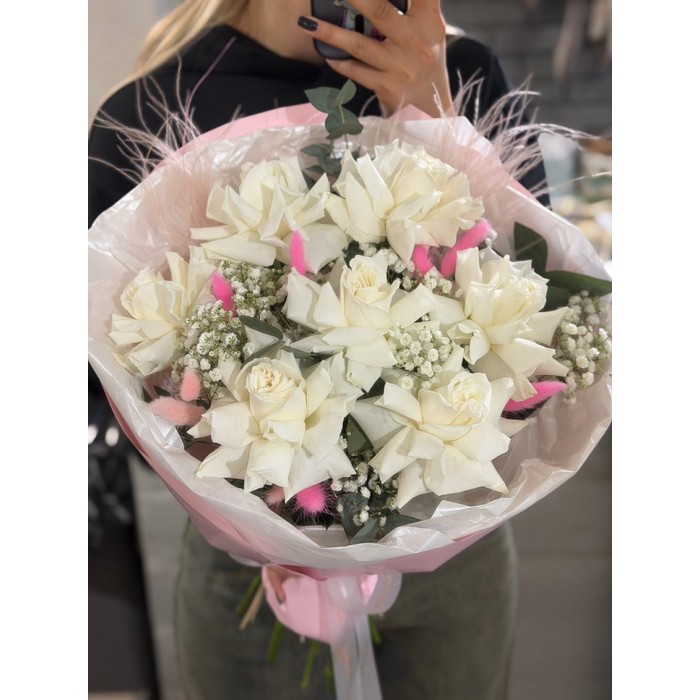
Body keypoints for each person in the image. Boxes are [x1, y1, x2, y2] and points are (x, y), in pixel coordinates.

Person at [89, 1, 548, 697]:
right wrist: (267, 492)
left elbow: (537, 318)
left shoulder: (462, 70)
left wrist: (436, 119)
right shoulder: (159, 102)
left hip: (456, 554)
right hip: (250, 575)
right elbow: (105, 363)